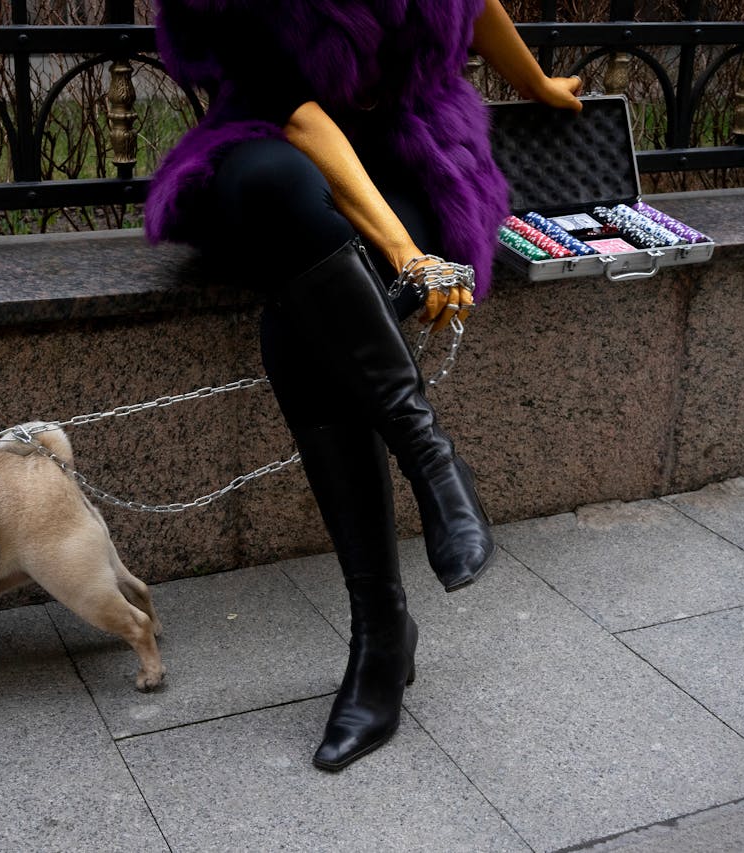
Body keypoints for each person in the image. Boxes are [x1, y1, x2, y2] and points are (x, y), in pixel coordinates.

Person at [145, 0, 583, 771]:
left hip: (413, 151)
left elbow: (472, 6)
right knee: (278, 193)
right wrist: (407, 253)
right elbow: (293, 106)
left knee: (302, 325)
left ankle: (382, 636)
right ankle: (430, 457)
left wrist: (539, 83)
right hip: (277, 135)